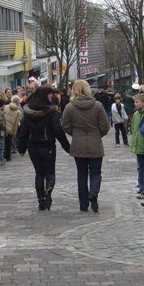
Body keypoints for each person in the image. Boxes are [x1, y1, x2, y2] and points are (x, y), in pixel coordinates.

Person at [17, 86, 71, 211]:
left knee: (39, 173)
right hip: (48, 145)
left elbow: (24, 132)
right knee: (50, 172)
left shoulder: (28, 112)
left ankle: (40, 199)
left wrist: (21, 148)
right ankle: (48, 192)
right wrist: (67, 147)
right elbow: (58, 130)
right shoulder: (51, 112)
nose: (51, 97)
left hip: (33, 146)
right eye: (50, 95)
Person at [62, 80, 110, 213]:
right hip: (95, 144)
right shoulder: (97, 106)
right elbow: (105, 126)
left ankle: (83, 204)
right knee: (95, 173)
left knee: (81, 175)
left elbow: (65, 126)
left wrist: (75, 133)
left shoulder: (70, 107)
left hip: (78, 144)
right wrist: (97, 134)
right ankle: (93, 193)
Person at [130, 94, 144, 197]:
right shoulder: (136, 114)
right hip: (138, 144)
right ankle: (141, 185)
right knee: (140, 167)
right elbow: (133, 129)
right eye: (135, 102)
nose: (135, 104)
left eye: (137, 102)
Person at [3, 95, 22, 161]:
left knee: (4, 142)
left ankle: (4, 155)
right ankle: (8, 156)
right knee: (8, 142)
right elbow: (17, 123)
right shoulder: (18, 111)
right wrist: (14, 132)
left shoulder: (6, 107)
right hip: (10, 128)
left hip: (4, 126)